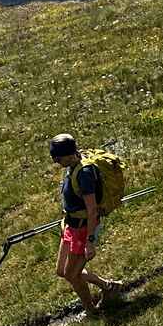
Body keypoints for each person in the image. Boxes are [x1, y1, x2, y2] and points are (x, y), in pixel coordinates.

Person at [50, 134, 119, 312]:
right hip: (70, 225)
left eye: (57, 157)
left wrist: (89, 241)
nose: (56, 161)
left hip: (83, 228)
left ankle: (90, 310)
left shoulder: (85, 174)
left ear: (68, 154)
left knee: (72, 275)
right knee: (62, 271)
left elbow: (92, 210)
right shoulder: (72, 165)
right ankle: (108, 286)